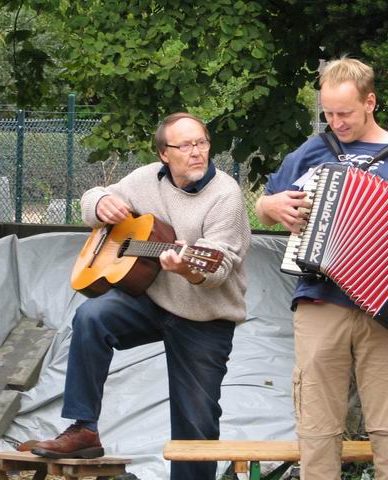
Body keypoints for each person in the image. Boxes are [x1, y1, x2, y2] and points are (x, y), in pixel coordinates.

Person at [255, 57, 388, 480]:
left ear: (370, 102)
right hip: (319, 300)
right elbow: (266, 204)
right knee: (316, 430)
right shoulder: (314, 150)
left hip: (386, 307)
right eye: (328, 113)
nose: (336, 123)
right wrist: (271, 205)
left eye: (344, 113)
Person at [29, 112, 251, 480]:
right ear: (164, 153)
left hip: (205, 316)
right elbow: (93, 197)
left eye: (201, 143)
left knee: (195, 421)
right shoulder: (146, 178)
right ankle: (84, 428)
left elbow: (219, 266)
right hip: (150, 301)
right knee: (91, 316)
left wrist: (188, 268)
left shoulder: (225, 195)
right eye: (186, 145)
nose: (197, 152)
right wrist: (99, 204)